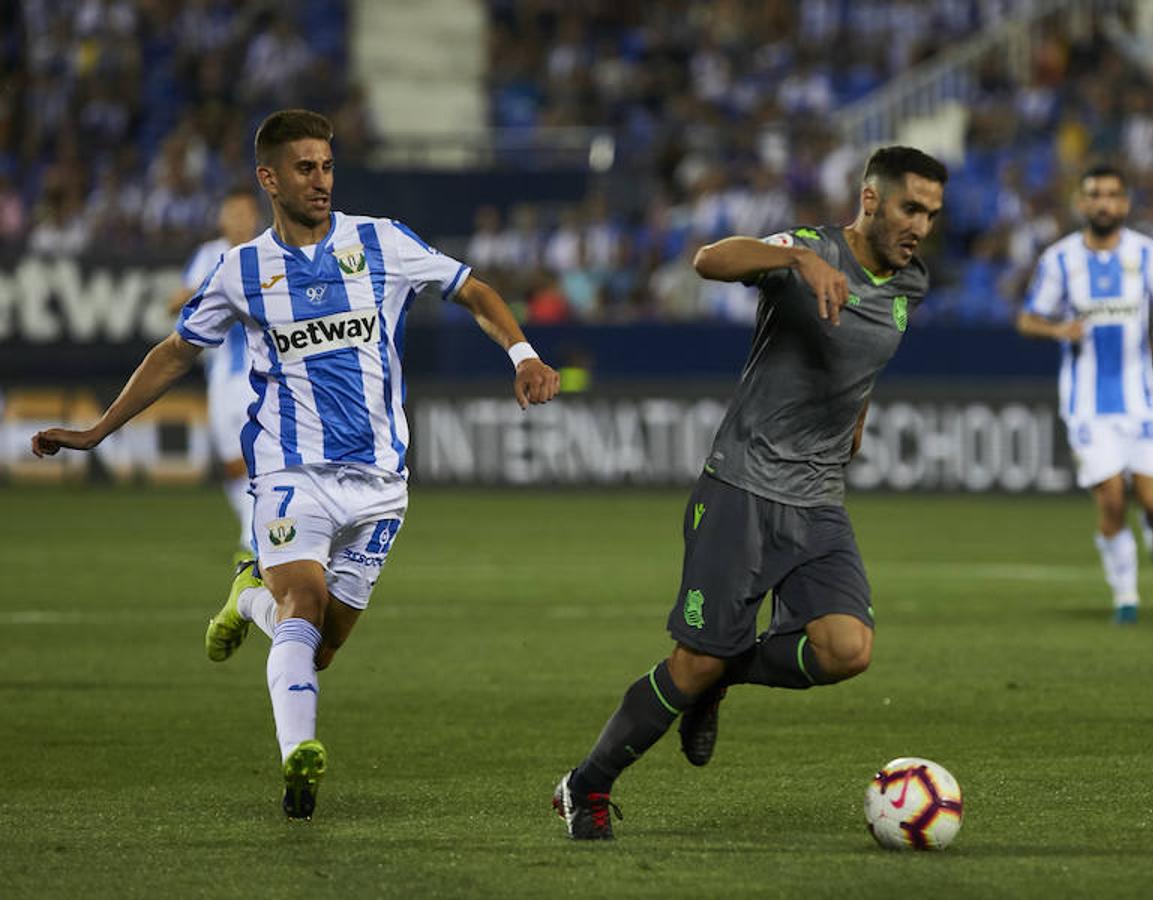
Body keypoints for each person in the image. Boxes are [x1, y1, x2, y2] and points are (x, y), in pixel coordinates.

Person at [32, 109, 561, 819]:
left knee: (316, 648)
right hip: (291, 473)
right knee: (302, 607)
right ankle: (299, 764)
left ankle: (246, 596)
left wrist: (523, 354)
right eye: (305, 168)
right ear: (269, 177)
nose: (321, 180)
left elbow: (472, 289)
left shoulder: (380, 242)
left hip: (380, 486)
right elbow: (176, 353)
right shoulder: (242, 269)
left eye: (328, 166)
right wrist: (99, 430)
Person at [552, 146, 947, 840]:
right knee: (691, 663)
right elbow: (708, 260)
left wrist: (855, 418)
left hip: (820, 497)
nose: (921, 225)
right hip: (742, 486)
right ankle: (585, 787)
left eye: (933, 214)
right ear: (871, 199)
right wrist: (793, 260)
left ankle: (722, 680)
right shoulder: (809, 250)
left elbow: (863, 361)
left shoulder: (911, 285)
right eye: (911, 207)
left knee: (846, 650)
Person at [1017, 163, 1153, 625]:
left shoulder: (1149, 254)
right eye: (1095, 194)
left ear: (1125, 203)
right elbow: (1027, 319)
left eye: (1112, 195)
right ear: (1081, 203)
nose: (1104, 203)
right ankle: (1126, 597)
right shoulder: (1059, 259)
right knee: (1112, 499)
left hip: (1141, 399)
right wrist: (1059, 329)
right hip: (1086, 406)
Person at [167, 186, 263, 559]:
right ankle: (255, 531)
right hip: (220, 376)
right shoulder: (209, 255)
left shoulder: (266, 251)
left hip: (258, 374)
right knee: (232, 465)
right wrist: (215, 284)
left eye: (246, 213)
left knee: (257, 459)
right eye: (233, 213)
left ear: (256, 215)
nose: (240, 220)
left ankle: (252, 540)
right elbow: (174, 303)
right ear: (223, 217)